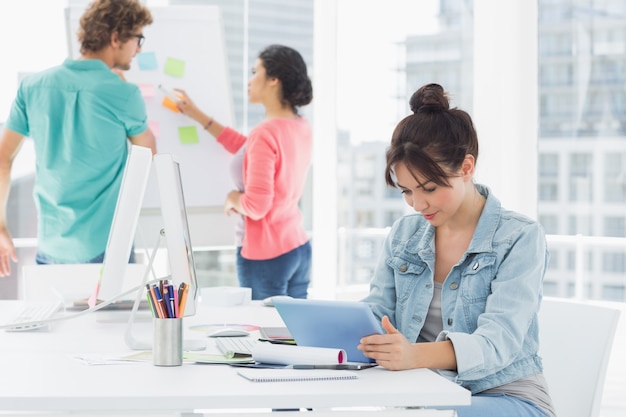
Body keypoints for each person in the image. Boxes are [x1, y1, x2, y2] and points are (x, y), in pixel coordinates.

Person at [358, 83, 556, 417]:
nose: (418, 204)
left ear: (466, 167)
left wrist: (413, 356)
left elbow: (498, 343)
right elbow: (379, 313)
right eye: (406, 191)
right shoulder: (404, 235)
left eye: (430, 188)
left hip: (504, 395)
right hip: (426, 395)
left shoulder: (519, 238)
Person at [0, 0, 156, 277]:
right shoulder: (123, 93)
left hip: (50, 247)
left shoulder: (33, 87)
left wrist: (0, 224)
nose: (139, 48)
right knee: (117, 323)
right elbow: (149, 153)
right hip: (107, 246)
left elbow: (3, 158)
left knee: (57, 321)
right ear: (116, 38)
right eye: (137, 39)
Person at [174, 44, 313, 300]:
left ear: (273, 80)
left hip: (267, 257)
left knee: (265, 336)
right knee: (293, 336)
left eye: (254, 71)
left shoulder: (265, 132)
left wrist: (232, 198)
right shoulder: (299, 126)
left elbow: (257, 206)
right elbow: (245, 148)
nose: (249, 80)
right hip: (297, 247)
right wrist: (197, 115)